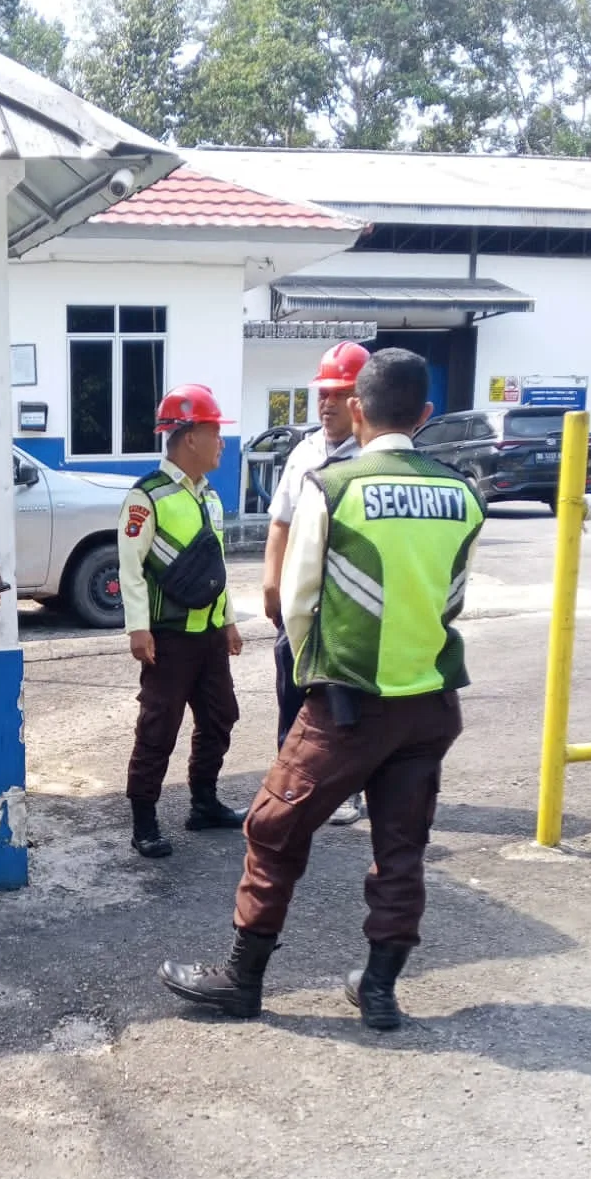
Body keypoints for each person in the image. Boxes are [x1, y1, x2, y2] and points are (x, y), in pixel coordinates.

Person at [159, 348, 484, 1030]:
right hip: (429, 704)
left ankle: (242, 980)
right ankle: (380, 989)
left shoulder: (333, 487)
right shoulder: (461, 493)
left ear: (358, 409)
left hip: (348, 702)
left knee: (272, 827)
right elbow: (452, 598)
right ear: (425, 414)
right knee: (401, 846)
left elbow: (299, 601)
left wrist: (313, 679)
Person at [117, 384, 244, 859]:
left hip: (209, 636)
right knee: (158, 728)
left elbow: (217, 567)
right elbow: (130, 568)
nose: (222, 443)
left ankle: (204, 803)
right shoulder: (147, 496)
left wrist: (228, 621)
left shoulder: (208, 496)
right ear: (190, 437)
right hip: (168, 639)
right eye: (215, 433)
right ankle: (144, 821)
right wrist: (138, 628)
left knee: (220, 716)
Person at [264, 341, 369, 825]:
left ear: (361, 399)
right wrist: (271, 584)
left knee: (345, 699)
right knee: (292, 693)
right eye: (323, 393)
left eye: (339, 393)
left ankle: (347, 791)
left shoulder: (371, 456)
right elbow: (280, 522)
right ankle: (290, 786)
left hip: (350, 603)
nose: (327, 403)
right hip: (300, 601)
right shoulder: (305, 451)